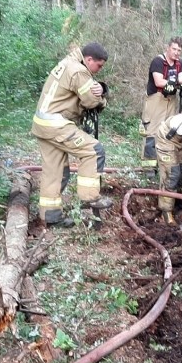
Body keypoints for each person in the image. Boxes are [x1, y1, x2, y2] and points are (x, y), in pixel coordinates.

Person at [32, 42, 112, 226]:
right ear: (89, 59)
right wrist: (102, 96)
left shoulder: (67, 63)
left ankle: (50, 218)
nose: (98, 70)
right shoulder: (78, 70)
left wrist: (99, 88)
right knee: (93, 150)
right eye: (98, 66)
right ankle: (90, 197)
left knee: (55, 171)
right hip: (56, 124)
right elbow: (91, 101)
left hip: (42, 123)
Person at [140, 37, 182, 170]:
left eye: (179, 50)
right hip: (156, 98)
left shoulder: (179, 63)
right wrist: (173, 83)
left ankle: (163, 162)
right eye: (174, 49)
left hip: (171, 100)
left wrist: (177, 83)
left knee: (167, 130)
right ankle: (148, 166)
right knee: (152, 131)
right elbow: (159, 81)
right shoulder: (158, 61)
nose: (176, 52)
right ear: (168, 48)